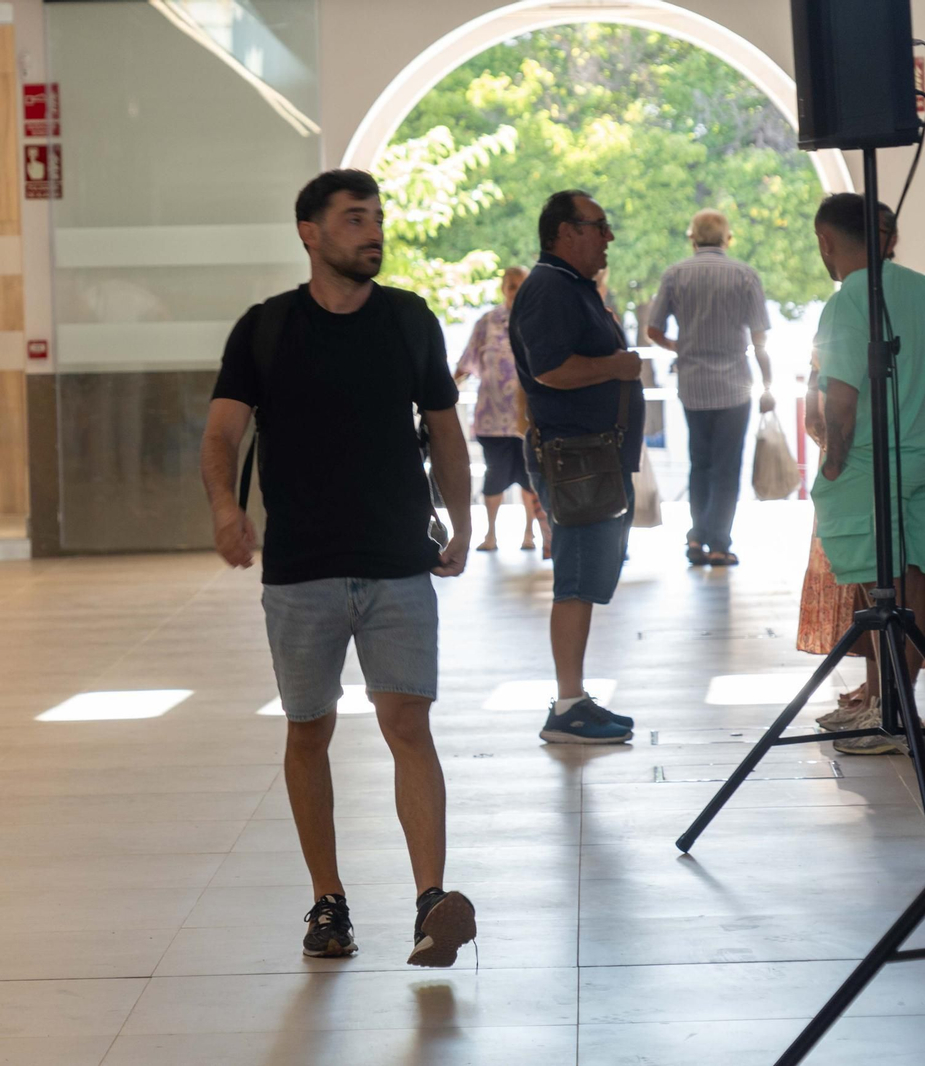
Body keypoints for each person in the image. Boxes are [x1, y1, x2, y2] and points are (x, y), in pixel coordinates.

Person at [200, 169, 477, 967]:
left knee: (408, 726)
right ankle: (329, 902)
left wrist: (462, 521)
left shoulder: (408, 321)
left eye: (378, 218)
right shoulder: (267, 328)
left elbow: (445, 431)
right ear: (310, 233)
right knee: (308, 731)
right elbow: (221, 434)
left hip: (395, 563)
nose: (373, 232)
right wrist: (226, 509)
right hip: (301, 569)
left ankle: (431, 902)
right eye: (355, 220)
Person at [808, 193, 925, 754]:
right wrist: (917, 373)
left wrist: (833, 461)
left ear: (827, 242)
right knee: (897, 585)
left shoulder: (848, 301)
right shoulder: (917, 287)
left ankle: (895, 719)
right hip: (924, 456)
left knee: (890, 588)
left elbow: (841, 397)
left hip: (869, 461)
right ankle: (887, 705)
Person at [510, 190, 644, 745]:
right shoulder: (549, 288)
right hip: (575, 460)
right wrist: (617, 365)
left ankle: (575, 698)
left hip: (593, 457)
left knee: (585, 581)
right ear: (565, 233)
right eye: (598, 226)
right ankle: (566, 706)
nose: (607, 237)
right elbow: (551, 370)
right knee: (574, 581)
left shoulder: (569, 287)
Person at [646, 209, 772, 567]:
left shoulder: (675, 275)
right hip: (735, 384)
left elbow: (653, 331)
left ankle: (696, 536)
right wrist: (768, 382)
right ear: (727, 238)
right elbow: (759, 336)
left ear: (692, 238)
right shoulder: (745, 275)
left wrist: (679, 347)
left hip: (693, 383)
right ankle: (719, 543)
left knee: (699, 462)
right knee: (726, 466)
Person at [456, 265, 548, 554]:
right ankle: (491, 534)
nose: (516, 290)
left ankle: (530, 534)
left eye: (521, 285)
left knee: (529, 476)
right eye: (511, 285)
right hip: (492, 418)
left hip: (528, 417)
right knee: (494, 475)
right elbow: (467, 361)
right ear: (503, 289)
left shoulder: (538, 320)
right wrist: (442, 390)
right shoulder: (487, 322)